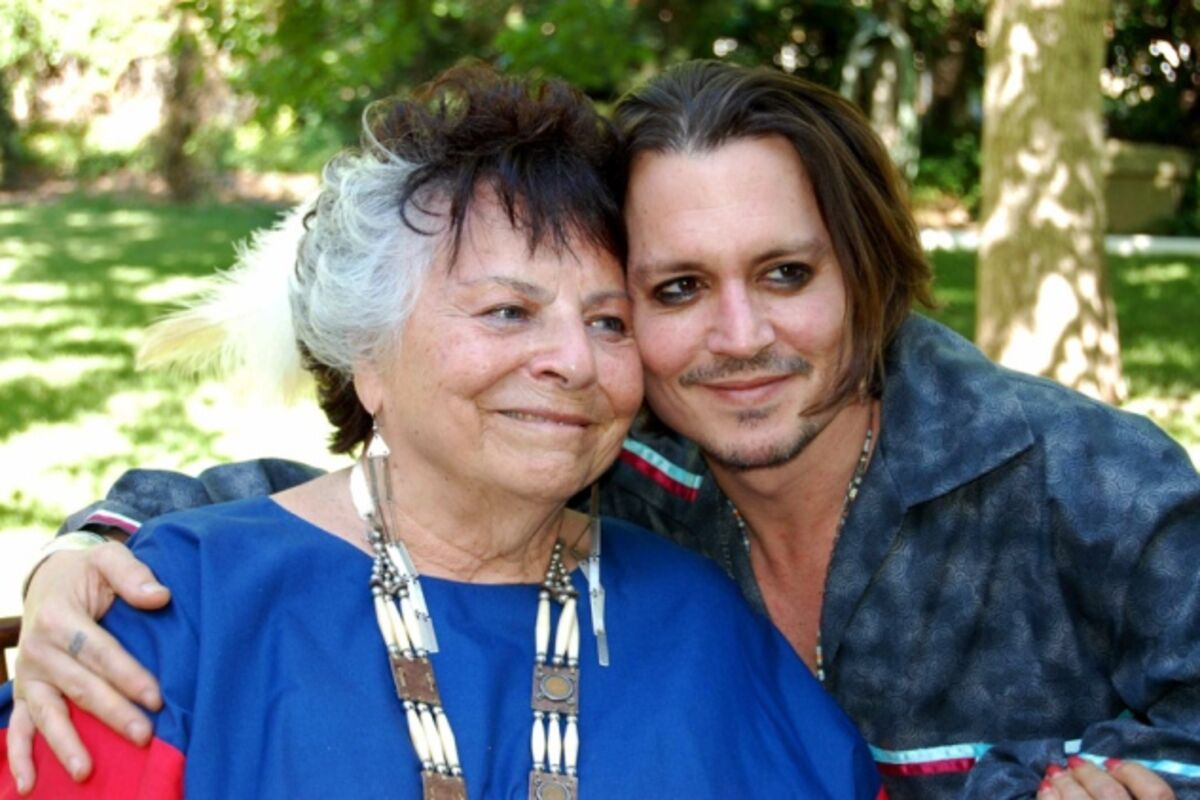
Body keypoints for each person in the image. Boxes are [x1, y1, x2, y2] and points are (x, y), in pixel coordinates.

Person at [10, 60, 1200, 799]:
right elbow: (384, 495)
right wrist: (98, 546)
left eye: (786, 272)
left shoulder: (1084, 484)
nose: (738, 336)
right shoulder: (630, 462)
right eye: (672, 290)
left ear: (871, 276)